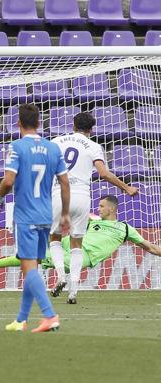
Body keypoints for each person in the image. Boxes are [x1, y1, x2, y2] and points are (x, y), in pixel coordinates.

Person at [0, 195, 161, 303]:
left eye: (102, 206)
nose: (99, 208)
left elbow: (151, 247)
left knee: (32, 256)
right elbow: (81, 215)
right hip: (70, 244)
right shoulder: (92, 221)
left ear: (111, 209)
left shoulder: (126, 228)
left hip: (83, 256)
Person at [0, 104, 70, 332]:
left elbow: (8, 180)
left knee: (29, 269)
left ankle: (50, 315)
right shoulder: (53, 148)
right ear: (39, 123)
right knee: (31, 268)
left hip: (26, 216)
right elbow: (64, 182)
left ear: (18, 124)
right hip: (46, 215)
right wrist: (65, 212)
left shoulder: (16, 146)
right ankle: (20, 320)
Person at [49, 112, 138, 302]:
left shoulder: (56, 141)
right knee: (76, 244)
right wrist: (126, 187)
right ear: (91, 129)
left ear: (73, 125)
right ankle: (73, 290)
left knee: (54, 238)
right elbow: (103, 173)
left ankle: (60, 276)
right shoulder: (94, 146)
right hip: (82, 195)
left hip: (58, 193)